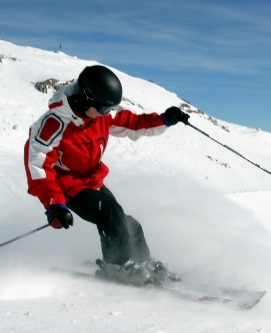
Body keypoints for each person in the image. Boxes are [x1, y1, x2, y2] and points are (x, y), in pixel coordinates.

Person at [24, 65, 189, 285]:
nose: (107, 114)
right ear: (85, 99)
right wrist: (54, 204)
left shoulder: (100, 114)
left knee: (127, 222)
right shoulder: (54, 124)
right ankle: (117, 266)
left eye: (109, 109)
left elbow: (133, 124)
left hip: (92, 180)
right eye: (103, 108)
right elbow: (38, 166)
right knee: (110, 214)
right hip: (66, 186)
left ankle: (142, 262)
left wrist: (164, 119)